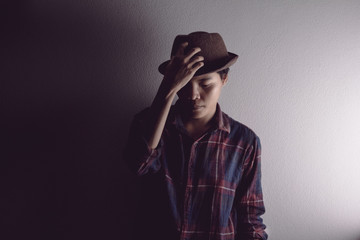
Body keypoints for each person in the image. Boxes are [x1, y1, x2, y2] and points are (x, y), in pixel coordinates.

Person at [124, 31, 267, 240]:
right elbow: (138, 164)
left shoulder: (244, 142)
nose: (193, 95)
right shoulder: (148, 123)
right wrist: (168, 88)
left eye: (205, 84)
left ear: (224, 79)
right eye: (184, 84)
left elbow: (250, 218)